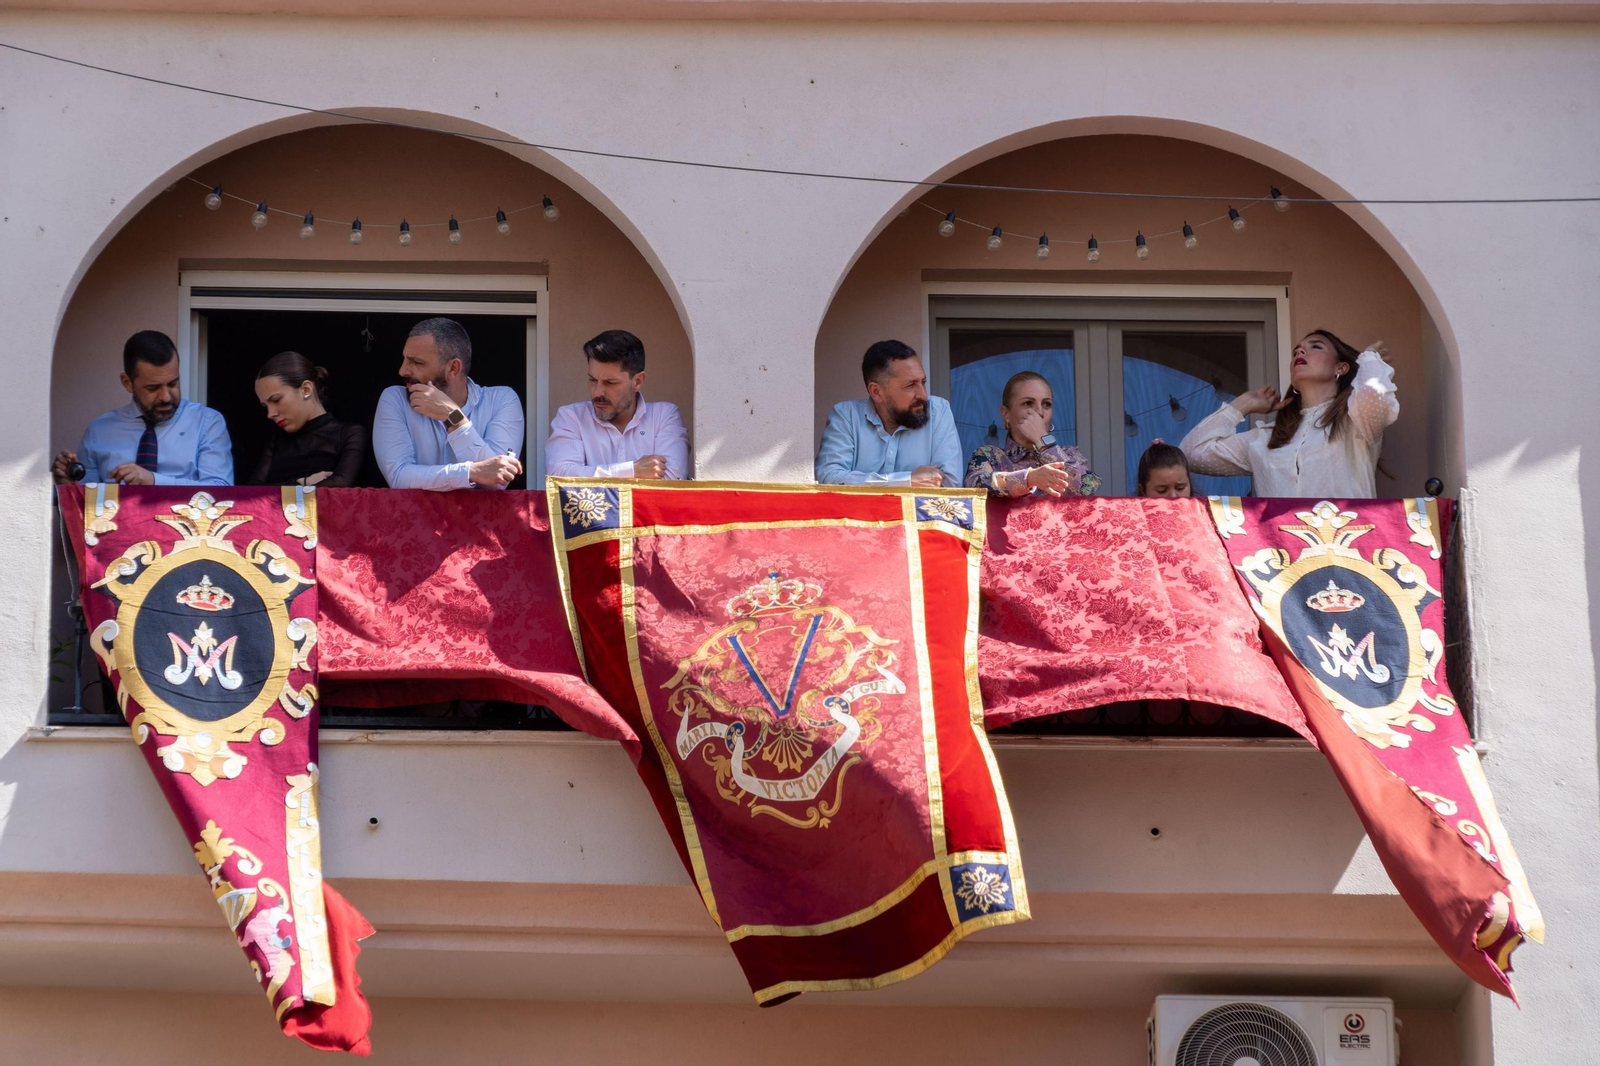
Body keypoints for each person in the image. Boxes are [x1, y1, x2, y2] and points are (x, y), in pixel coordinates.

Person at [1179, 330, 1398, 497]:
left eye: (1316, 346)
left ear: (1340, 368)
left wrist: (1369, 360)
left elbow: (1372, 397)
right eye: (1297, 351)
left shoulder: (1356, 422)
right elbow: (1192, 454)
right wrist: (1242, 405)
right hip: (1281, 554)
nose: (1300, 352)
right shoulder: (1267, 438)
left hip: (1348, 551)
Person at [52, 330, 232, 486]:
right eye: (153, 388)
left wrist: (154, 481)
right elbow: (87, 502)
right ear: (127, 383)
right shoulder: (99, 431)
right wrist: (70, 486)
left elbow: (220, 489)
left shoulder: (206, 423)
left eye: (173, 383)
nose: (166, 396)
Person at [372, 317, 525, 490]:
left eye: (416, 362)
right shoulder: (395, 399)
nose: (403, 370)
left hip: (478, 518)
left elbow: (498, 482)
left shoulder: (502, 400)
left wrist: (453, 418)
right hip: (415, 517)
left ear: (453, 368)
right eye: (405, 359)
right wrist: (469, 472)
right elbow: (399, 477)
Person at [545, 330, 689, 480]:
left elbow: (672, 480)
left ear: (638, 381)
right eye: (593, 380)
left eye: (610, 383)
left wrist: (591, 477)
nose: (598, 392)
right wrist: (632, 470)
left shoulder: (663, 416)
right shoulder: (572, 417)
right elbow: (560, 478)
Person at [816, 340, 963, 487]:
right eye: (910, 385)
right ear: (876, 392)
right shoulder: (847, 416)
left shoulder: (937, 411)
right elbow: (829, 478)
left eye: (923, 382)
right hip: (858, 511)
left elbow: (949, 485)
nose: (923, 395)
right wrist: (907, 481)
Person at [963, 371, 1100, 498]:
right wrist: (1028, 479)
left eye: (1046, 404)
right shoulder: (990, 456)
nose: (1040, 412)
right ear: (1006, 414)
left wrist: (1043, 441)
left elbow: (1086, 490)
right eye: (1028, 403)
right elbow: (974, 489)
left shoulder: (1069, 454)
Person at [247, 351, 366, 488]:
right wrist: (302, 482)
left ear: (306, 389)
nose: (270, 414)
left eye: (276, 400)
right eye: (265, 406)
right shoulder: (277, 441)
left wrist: (287, 487)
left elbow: (342, 483)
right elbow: (252, 492)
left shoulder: (349, 433)